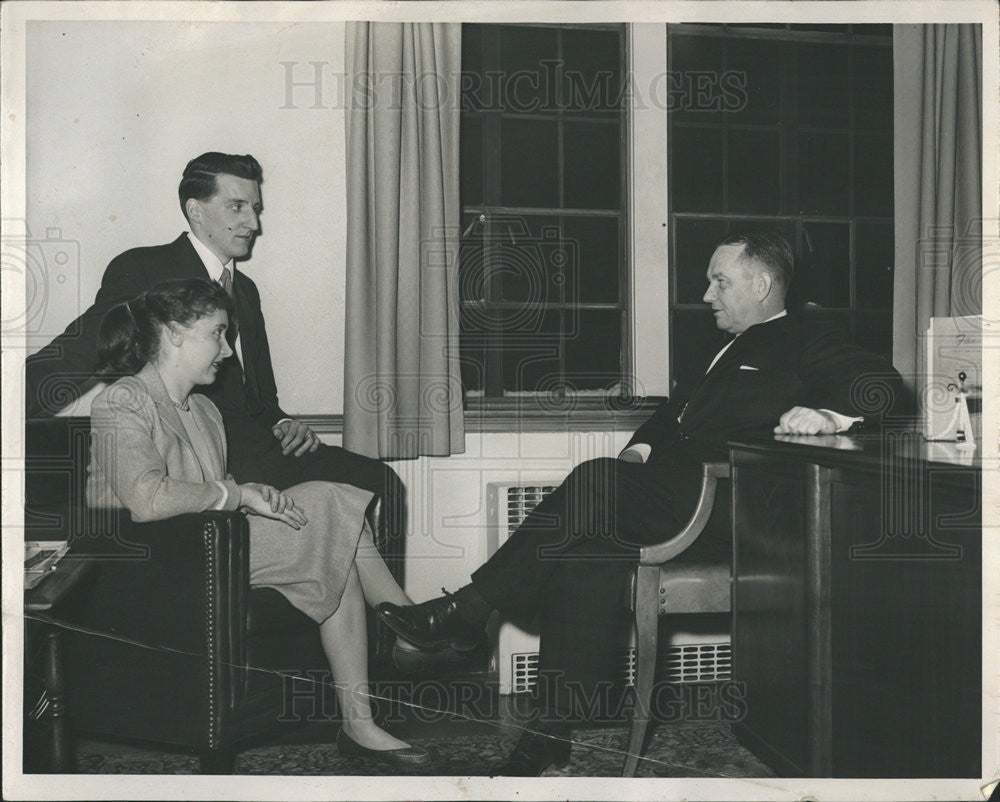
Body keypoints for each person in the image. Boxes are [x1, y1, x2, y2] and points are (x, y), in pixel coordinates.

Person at [375, 231, 906, 775]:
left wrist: (830, 416)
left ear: (763, 284)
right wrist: (638, 451)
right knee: (585, 554)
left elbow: (884, 385)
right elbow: (671, 417)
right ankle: (548, 731)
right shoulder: (720, 346)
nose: (706, 294)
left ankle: (468, 612)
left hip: (726, 504)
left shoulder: (808, 335)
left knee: (594, 479)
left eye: (719, 280)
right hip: (666, 494)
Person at [86, 278, 430, 768]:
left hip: (209, 550)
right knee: (328, 501)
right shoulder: (123, 400)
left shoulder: (205, 410)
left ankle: (361, 720)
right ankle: (407, 624)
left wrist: (254, 499)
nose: (226, 351)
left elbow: (216, 490)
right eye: (218, 334)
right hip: (148, 566)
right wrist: (237, 494)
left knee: (332, 538)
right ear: (175, 333)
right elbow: (145, 498)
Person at [25, 152, 405, 544]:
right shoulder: (144, 269)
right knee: (373, 483)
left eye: (255, 208)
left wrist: (282, 423)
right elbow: (75, 353)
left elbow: (262, 396)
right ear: (196, 210)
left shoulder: (245, 290)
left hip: (259, 445)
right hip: (200, 454)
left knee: (382, 484)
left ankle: (385, 608)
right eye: (236, 206)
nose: (253, 223)